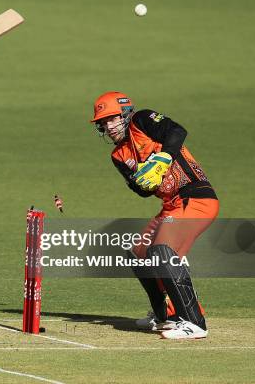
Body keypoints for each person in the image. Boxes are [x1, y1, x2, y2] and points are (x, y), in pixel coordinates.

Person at [90, 91, 219, 339]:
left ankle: (194, 322)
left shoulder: (142, 120)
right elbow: (142, 192)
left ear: (125, 114)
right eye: (103, 123)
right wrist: (144, 181)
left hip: (195, 196)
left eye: (112, 119)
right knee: (138, 253)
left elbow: (177, 131)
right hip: (172, 205)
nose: (109, 126)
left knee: (161, 251)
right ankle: (165, 316)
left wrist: (162, 158)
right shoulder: (119, 155)